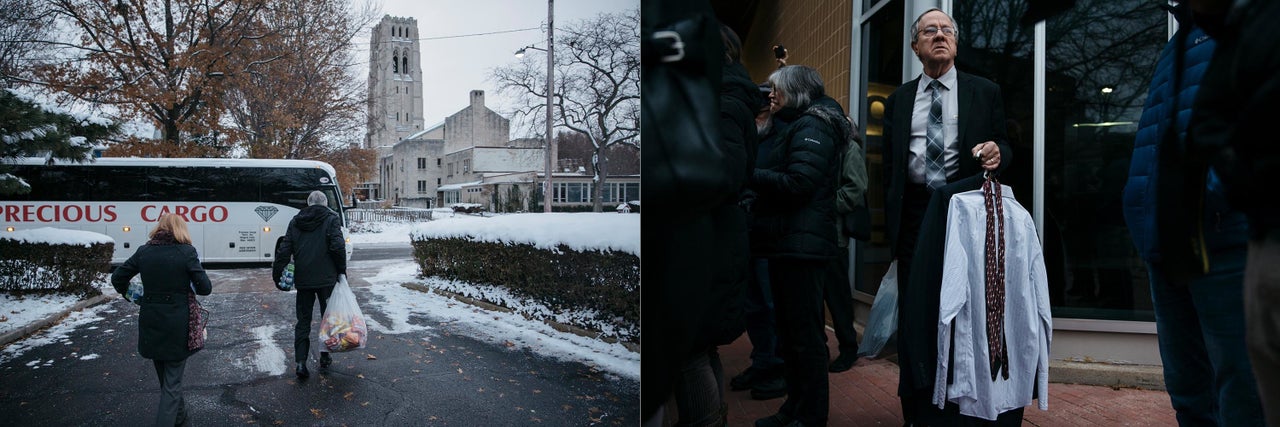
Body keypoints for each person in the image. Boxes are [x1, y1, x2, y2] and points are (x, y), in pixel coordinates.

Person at [1122, 4, 1265, 425]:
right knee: (1186, 387)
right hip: (1165, 247)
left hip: (1224, 243)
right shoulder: (1176, 45)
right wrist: (1139, 210)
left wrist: (1213, 197)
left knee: (1241, 388)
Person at [881, 8, 1010, 425]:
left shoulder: (984, 90)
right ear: (915, 46)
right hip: (917, 214)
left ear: (956, 42)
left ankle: (962, 407)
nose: (939, 35)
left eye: (946, 30)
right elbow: (889, 170)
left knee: (964, 312)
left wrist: (997, 152)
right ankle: (918, 410)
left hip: (964, 213)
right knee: (915, 318)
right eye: (929, 31)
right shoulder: (899, 100)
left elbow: (1006, 147)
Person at [1186, 0, 1280, 424]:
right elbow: (1204, 124)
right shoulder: (1215, 34)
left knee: (1238, 381)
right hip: (1248, 231)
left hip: (1236, 230)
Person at [670, 22, 762, 426]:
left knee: (689, 347)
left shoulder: (721, 103)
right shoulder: (721, 98)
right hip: (710, 239)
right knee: (700, 344)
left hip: (708, 243)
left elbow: (723, 176)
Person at [749, 64, 848, 427]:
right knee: (791, 337)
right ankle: (795, 407)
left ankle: (810, 416)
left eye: (777, 89)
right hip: (790, 243)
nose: (770, 95)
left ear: (798, 90)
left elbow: (800, 182)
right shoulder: (798, 123)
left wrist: (748, 173)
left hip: (802, 248)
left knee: (805, 338)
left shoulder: (814, 124)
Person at [111, 213, 213, 427]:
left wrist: (133, 295)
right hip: (178, 324)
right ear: (181, 229)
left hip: (151, 321)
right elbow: (205, 288)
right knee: (172, 383)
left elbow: (118, 277)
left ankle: (182, 421)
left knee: (168, 382)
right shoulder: (187, 252)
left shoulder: (144, 252)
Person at [730, 84, 788, 402]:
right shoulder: (746, 131)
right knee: (753, 302)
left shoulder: (782, 133)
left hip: (770, 228)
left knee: (769, 302)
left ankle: (776, 367)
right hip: (747, 228)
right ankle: (762, 360)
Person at [272, 190, 347, 379]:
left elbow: (284, 249)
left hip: (303, 279)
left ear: (308, 203)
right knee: (327, 318)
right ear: (324, 203)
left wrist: (277, 274)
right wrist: (341, 271)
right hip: (326, 279)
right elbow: (338, 247)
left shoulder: (296, 221)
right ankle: (324, 356)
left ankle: (300, 363)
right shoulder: (331, 219)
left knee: (303, 321)